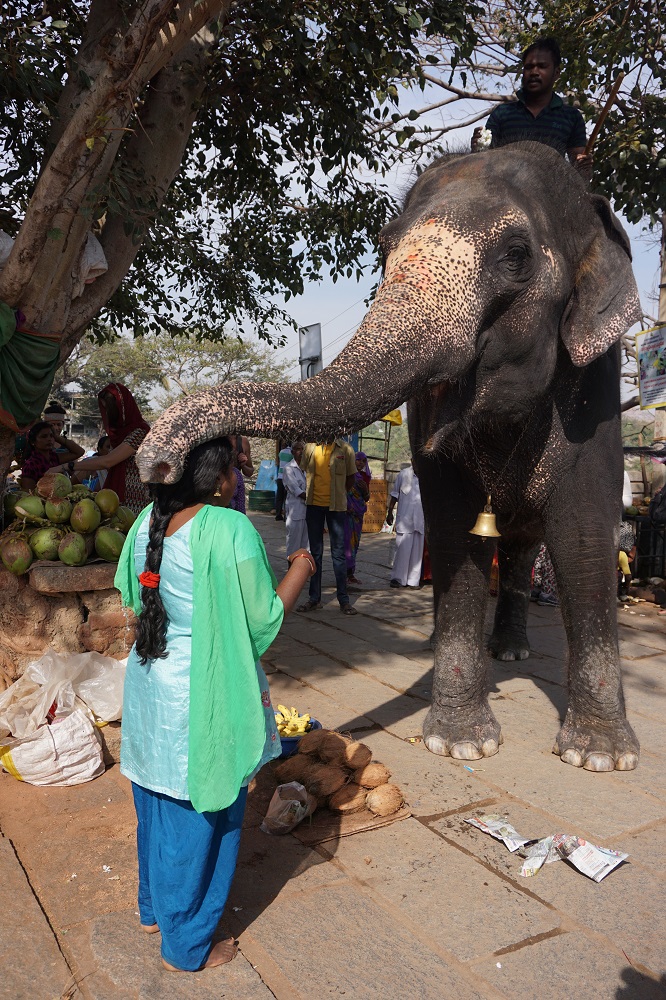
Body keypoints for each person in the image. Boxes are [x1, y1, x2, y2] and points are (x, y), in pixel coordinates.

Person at [114, 435, 316, 974]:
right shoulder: (229, 527)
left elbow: (132, 594)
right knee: (201, 810)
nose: (238, 477)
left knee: (155, 801)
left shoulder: (145, 523)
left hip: (150, 679)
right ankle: (187, 943)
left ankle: (153, 910)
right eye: (234, 468)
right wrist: (300, 569)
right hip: (202, 690)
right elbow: (261, 622)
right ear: (219, 478)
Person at [473, 37, 592, 177]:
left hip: (550, 193)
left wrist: (585, 165)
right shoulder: (502, 113)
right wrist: (477, 149)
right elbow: (484, 163)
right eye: (529, 67)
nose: (534, 72)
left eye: (542, 66)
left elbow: (581, 174)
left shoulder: (571, 117)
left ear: (556, 73)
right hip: (504, 189)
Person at [48, 383, 150, 514]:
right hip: (116, 498)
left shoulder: (140, 432)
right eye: (105, 409)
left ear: (122, 409)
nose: (107, 414)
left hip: (134, 501)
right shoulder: (119, 436)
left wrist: (66, 467)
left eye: (110, 409)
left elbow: (107, 461)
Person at [297, 438, 358, 615]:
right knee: (315, 553)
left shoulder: (345, 449)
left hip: (336, 508)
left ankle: (343, 600)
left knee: (338, 554)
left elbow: (350, 478)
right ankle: (314, 598)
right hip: (313, 506)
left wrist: (340, 495)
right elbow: (302, 469)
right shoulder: (310, 447)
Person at [386, 461, 425, 588]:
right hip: (405, 519)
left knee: (417, 553)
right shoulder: (403, 474)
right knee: (402, 550)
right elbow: (395, 495)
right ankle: (398, 579)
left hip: (420, 520)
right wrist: (390, 512)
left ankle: (413, 581)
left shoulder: (427, 477)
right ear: (413, 461)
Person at [19, 421, 84, 490]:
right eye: (44, 436)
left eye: (51, 436)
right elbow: (29, 493)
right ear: (33, 442)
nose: (49, 439)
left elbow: (79, 452)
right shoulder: (30, 465)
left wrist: (57, 437)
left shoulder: (54, 458)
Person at [345, 452, 371, 585]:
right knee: (346, 543)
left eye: (363, 461)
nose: (360, 463)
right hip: (346, 514)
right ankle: (344, 573)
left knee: (355, 544)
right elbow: (342, 492)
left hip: (358, 515)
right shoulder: (347, 475)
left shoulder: (365, 477)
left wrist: (365, 489)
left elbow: (367, 498)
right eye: (358, 460)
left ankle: (351, 574)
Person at [283, 440, 308, 559]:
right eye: (298, 449)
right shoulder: (289, 468)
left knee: (306, 545)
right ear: (293, 452)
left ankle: (303, 571)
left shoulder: (307, 468)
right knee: (293, 544)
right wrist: (314, 499)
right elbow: (296, 489)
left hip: (307, 512)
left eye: (303, 449)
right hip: (295, 510)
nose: (301, 452)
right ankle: (291, 571)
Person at [229, 434, 254, 513]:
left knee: (239, 512)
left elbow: (249, 472)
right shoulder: (215, 439)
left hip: (236, 485)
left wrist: (243, 464)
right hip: (218, 484)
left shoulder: (243, 442)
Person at [275, 442, 292, 521]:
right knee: (286, 498)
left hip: (280, 477)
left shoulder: (281, 452)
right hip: (288, 477)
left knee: (279, 497)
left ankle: (278, 515)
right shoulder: (292, 453)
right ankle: (286, 516)